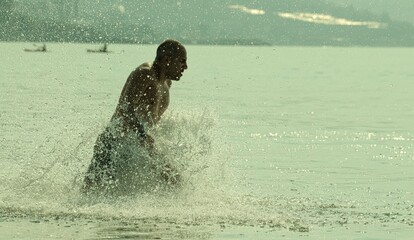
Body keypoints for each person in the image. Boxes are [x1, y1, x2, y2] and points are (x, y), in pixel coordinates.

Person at [83, 39, 188, 192]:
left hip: (138, 147)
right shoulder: (144, 74)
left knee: (174, 181)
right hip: (114, 144)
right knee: (90, 193)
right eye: (182, 61)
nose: (185, 67)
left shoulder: (166, 84)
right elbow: (125, 109)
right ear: (167, 59)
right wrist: (143, 136)